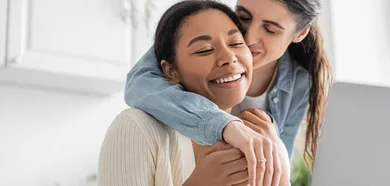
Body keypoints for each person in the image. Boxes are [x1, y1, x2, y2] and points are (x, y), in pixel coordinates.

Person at [125, 0, 331, 181]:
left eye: (270, 29)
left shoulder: (299, 84)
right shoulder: (205, 26)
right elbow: (139, 82)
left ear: (301, 32)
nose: (249, 38)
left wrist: (274, 145)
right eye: (243, 17)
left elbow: (278, 173)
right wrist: (227, 126)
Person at [98, 1, 289, 185]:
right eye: (204, 50)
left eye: (236, 43)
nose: (229, 58)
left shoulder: (266, 140)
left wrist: (278, 172)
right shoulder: (136, 128)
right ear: (171, 71)